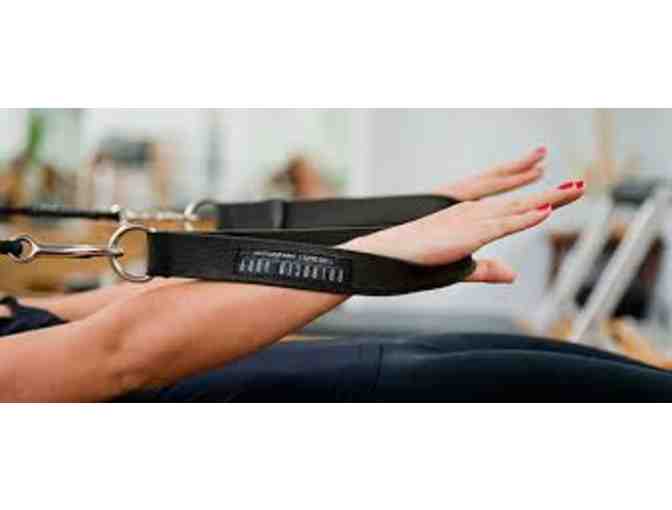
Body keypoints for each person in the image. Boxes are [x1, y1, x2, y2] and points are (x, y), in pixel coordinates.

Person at [7, 146, 650, 403]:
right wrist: (377, 254)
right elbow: (120, 353)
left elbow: (134, 305)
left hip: (278, 369)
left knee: (507, 356)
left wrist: (402, 219)